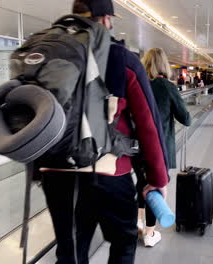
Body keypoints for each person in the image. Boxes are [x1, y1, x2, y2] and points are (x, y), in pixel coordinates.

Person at [38, 1, 169, 263]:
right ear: (106, 19)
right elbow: (148, 124)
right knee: (123, 242)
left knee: (71, 250)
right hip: (108, 172)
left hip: (56, 172)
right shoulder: (122, 59)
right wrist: (158, 178)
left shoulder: (48, 53)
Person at [137, 48, 192, 247]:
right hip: (159, 147)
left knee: (141, 185)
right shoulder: (167, 86)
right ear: (164, 65)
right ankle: (149, 234)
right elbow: (185, 118)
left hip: (136, 147)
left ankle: (138, 222)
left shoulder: (138, 84)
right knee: (155, 187)